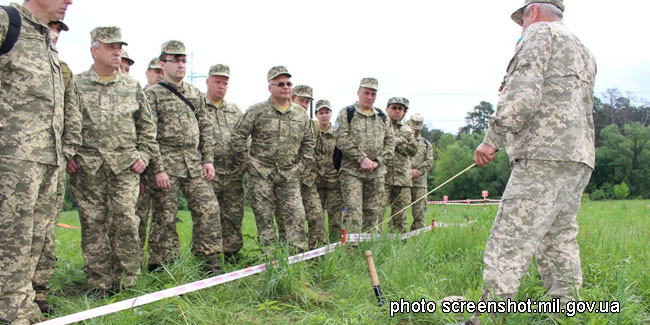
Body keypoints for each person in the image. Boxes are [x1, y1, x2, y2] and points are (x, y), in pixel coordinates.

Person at [469, 0, 597, 323]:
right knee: (559, 239)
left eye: (522, 18)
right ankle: (567, 312)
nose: (521, 26)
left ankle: (488, 316)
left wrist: (491, 141)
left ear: (533, 11)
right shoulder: (584, 50)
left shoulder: (539, 34)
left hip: (543, 155)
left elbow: (521, 94)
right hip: (579, 157)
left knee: (509, 238)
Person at [69, 26, 158, 298]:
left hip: (124, 167)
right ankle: (99, 282)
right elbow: (68, 122)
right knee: (93, 223)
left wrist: (144, 155)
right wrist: (70, 154)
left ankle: (128, 281)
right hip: (88, 166)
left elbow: (147, 126)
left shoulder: (132, 86)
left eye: (120, 46)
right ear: (95, 50)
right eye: (110, 46)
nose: (117, 51)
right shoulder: (77, 83)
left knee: (126, 221)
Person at [0, 0, 72, 323]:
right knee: (10, 241)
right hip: (12, 161)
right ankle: (10, 313)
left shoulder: (45, 39)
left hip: (46, 161)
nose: (70, 1)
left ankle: (21, 306)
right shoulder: (7, 22)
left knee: (33, 242)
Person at [145, 40, 223, 273]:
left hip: (193, 162)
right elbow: (149, 133)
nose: (180, 64)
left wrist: (207, 159)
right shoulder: (153, 94)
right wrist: (158, 169)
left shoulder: (194, 93)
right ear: (163, 63)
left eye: (183, 60)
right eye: (174, 60)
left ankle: (208, 260)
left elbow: (205, 126)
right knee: (165, 216)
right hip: (166, 163)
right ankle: (163, 264)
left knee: (208, 209)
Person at [231, 66, 315, 252]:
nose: (286, 87)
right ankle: (270, 263)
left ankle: (296, 263)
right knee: (265, 220)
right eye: (280, 84)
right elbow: (237, 136)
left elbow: (309, 143)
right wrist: (249, 164)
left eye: (288, 83)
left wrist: (300, 167)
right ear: (270, 87)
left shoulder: (300, 114)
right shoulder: (257, 111)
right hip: (261, 175)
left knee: (297, 216)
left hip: (289, 175)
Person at [32, 17, 82, 315]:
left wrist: (66, 152)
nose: (54, 35)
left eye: (58, 31)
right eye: (50, 28)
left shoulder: (62, 71)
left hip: (53, 161)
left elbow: (72, 116)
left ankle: (38, 291)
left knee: (45, 230)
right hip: (17, 159)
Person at [335, 78, 394, 234]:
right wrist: (362, 159)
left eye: (373, 94)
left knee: (374, 213)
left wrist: (377, 162)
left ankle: (369, 249)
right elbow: (341, 138)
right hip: (352, 172)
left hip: (377, 173)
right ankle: (351, 251)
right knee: (354, 212)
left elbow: (390, 143)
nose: (369, 97)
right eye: (366, 93)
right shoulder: (347, 113)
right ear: (358, 92)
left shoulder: (382, 116)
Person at [204, 64, 246, 262]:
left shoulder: (235, 110)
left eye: (225, 83)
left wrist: (244, 163)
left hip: (232, 171)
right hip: (207, 172)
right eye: (217, 82)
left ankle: (232, 254)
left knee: (234, 214)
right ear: (208, 81)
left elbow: (245, 137)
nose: (221, 86)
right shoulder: (198, 107)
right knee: (208, 216)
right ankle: (207, 257)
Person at [290, 84, 326, 249]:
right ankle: (290, 256)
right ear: (292, 99)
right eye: (300, 100)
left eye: (306, 102)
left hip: (308, 180)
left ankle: (317, 256)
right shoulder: (284, 120)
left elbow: (317, 153)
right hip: (287, 180)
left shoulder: (314, 125)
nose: (303, 105)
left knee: (317, 217)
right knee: (290, 220)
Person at [136, 57, 164, 262]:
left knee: (163, 216)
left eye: (162, 71)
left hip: (165, 166)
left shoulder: (170, 98)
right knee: (139, 217)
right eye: (155, 71)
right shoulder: (139, 96)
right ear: (147, 73)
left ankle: (158, 260)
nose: (159, 75)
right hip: (143, 168)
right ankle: (135, 260)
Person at [383, 97, 417, 233]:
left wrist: (394, 143)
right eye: (394, 108)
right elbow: (379, 146)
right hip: (383, 176)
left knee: (400, 215)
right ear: (387, 109)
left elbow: (413, 149)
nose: (397, 111)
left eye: (400, 109)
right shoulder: (381, 125)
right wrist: (399, 141)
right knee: (376, 212)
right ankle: (372, 241)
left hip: (402, 178)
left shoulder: (407, 129)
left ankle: (398, 243)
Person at [313, 99, 345, 242]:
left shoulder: (338, 133)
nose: (324, 115)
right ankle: (318, 244)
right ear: (316, 114)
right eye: (321, 113)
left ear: (331, 113)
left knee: (336, 217)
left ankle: (335, 244)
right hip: (316, 181)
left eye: (327, 112)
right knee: (316, 216)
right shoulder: (312, 133)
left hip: (334, 182)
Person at [406, 113, 433, 230]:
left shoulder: (426, 144)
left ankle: (417, 234)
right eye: (413, 129)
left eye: (417, 129)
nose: (415, 132)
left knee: (420, 210)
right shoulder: (403, 141)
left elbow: (429, 161)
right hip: (403, 180)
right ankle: (396, 233)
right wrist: (408, 172)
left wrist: (417, 172)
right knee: (399, 210)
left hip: (420, 182)